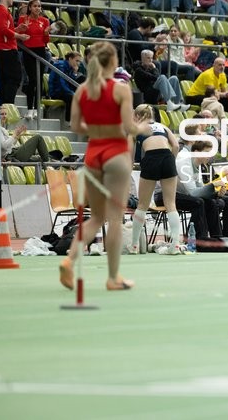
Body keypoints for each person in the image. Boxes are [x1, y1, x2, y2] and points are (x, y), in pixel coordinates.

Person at [59, 41, 153, 291]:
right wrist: (142, 127)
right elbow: (129, 127)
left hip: (93, 155)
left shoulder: (82, 91)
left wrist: (98, 129)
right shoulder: (120, 89)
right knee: (114, 219)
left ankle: (69, 260)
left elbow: (76, 127)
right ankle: (113, 278)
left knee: (96, 218)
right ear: (113, 62)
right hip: (116, 154)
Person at [130, 105, 185, 255]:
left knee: (142, 204)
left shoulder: (136, 129)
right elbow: (175, 146)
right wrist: (169, 161)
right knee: (171, 204)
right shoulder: (163, 127)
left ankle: (134, 246)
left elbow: (130, 155)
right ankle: (175, 245)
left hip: (151, 158)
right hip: (167, 157)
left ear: (137, 116)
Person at [0, 0, 30, 105]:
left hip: (3, 49)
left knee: (5, 79)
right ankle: (7, 104)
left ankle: (4, 105)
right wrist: (19, 35)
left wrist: (17, 29)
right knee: (15, 77)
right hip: (6, 50)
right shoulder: (1, 11)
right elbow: (3, 30)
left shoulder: (2, 11)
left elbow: (4, 30)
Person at [17, 0, 50, 120]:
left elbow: (45, 41)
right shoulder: (23, 19)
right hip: (28, 51)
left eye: (39, 6)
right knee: (32, 80)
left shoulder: (45, 21)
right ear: (30, 8)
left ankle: (37, 108)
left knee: (40, 80)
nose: (37, 8)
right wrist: (22, 29)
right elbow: (19, 38)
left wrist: (46, 34)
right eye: (35, 6)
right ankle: (29, 109)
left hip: (41, 51)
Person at [48, 51, 82, 121]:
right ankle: (69, 121)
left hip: (64, 90)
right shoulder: (61, 65)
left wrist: (75, 73)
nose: (78, 63)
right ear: (70, 59)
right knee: (72, 97)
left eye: (79, 61)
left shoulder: (70, 67)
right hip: (56, 91)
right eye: (77, 61)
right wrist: (72, 93)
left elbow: (71, 82)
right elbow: (61, 84)